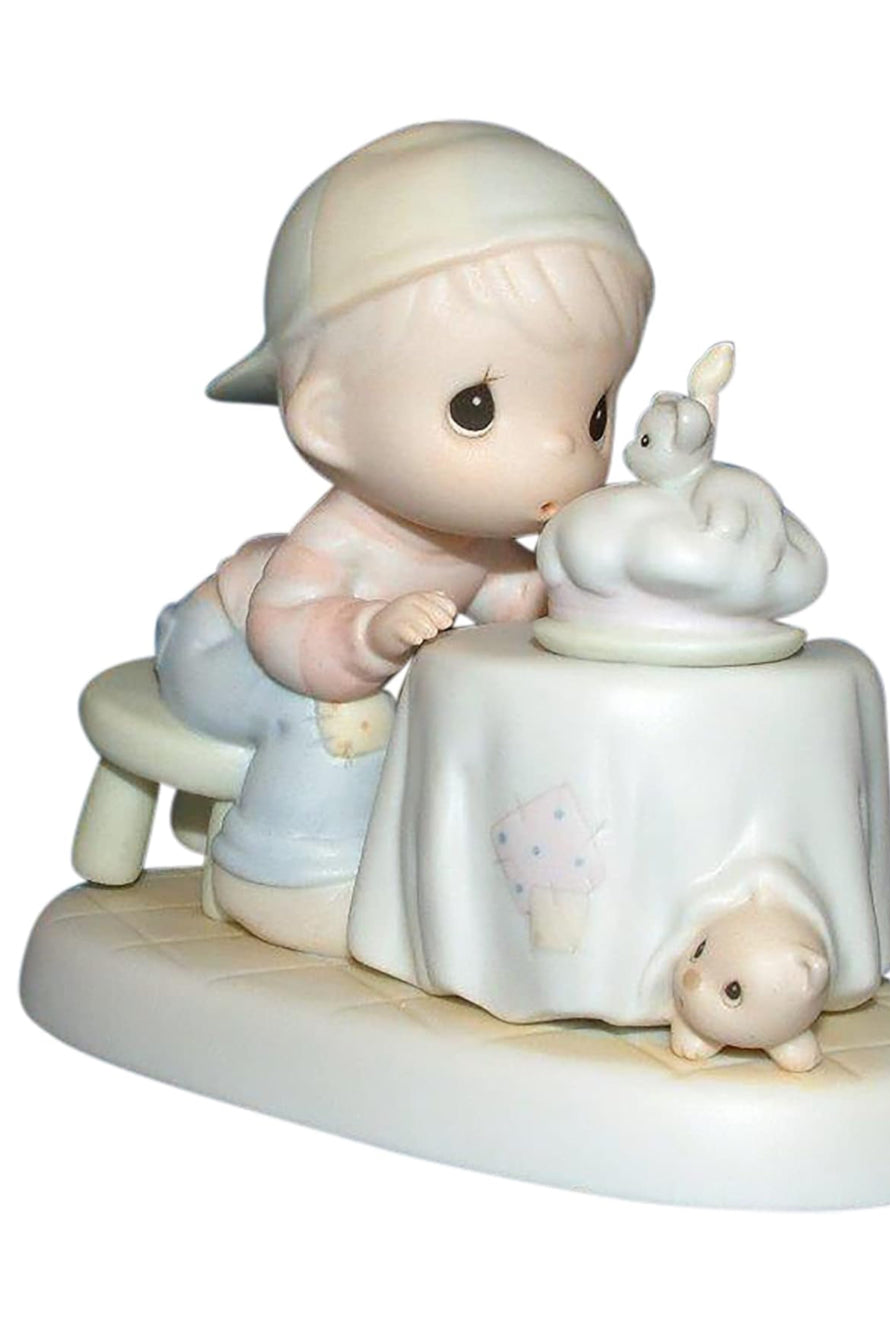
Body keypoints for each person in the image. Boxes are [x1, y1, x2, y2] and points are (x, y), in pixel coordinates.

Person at [156, 121, 653, 955]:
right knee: (340, 716)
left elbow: (517, 600)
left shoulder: (471, 539)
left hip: (289, 647)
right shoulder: (337, 537)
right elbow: (283, 634)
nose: (563, 448)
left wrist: (591, 595)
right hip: (224, 647)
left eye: (593, 410)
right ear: (330, 418)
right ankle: (277, 874)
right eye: (475, 408)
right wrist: (366, 634)